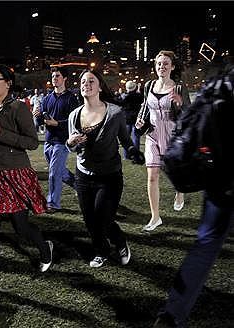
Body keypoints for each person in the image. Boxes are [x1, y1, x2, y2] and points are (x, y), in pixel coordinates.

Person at [153, 68, 234, 328]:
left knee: (204, 246)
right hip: (223, 177)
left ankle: (172, 315)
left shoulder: (221, 79)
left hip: (219, 178)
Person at [0, 64, 53, 297]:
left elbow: (32, 142)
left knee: (21, 227)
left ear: (8, 82)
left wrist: (1, 133)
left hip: (14, 174)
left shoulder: (18, 107)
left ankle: (44, 247)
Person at [67, 69, 145, 268]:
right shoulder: (74, 115)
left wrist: (134, 152)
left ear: (100, 86)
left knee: (104, 217)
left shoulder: (114, 113)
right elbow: (72, 146)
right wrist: (71, 142)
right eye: (83, 81)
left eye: (91, 81)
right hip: (83, 175)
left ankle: (119, 242)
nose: (86, 84)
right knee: (90, 220)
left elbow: (126, 141)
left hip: (109, 175)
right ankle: (101, 250)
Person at [135, 50, 191, 232]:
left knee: (174, 172)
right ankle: (155, 217)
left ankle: (180, 193)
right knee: (152, 176)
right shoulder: (149, 85)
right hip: (152, 134)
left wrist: (180, 104)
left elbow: (190, 116)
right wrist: (140, 120)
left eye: (166, 63)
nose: (162, 66)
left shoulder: (179, 88)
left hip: (172, 133)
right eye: (159, 63)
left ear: (172, 67)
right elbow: (145, 106)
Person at [34, 67, 80, 213]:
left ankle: (53, 203)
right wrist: (37, 116)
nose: (54, 78)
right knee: (60, 171)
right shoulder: (47, 98)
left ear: (64, 78)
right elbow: (41, 121)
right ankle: (79, 185)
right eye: (53, 76)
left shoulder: (71, 98)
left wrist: (57, 124)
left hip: (62, 141)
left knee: (54, 172)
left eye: (57, 76)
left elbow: (74, 121)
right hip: (48, 140)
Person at [119, 80, 143, 159]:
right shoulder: (138, 96)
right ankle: (136, 155)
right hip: (136, 118)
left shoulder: (124, 96)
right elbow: (141, 99)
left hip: (126, 119)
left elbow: (119, 102)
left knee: (126, 138)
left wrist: (120, 93)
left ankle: (126, 156)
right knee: (136, 137)